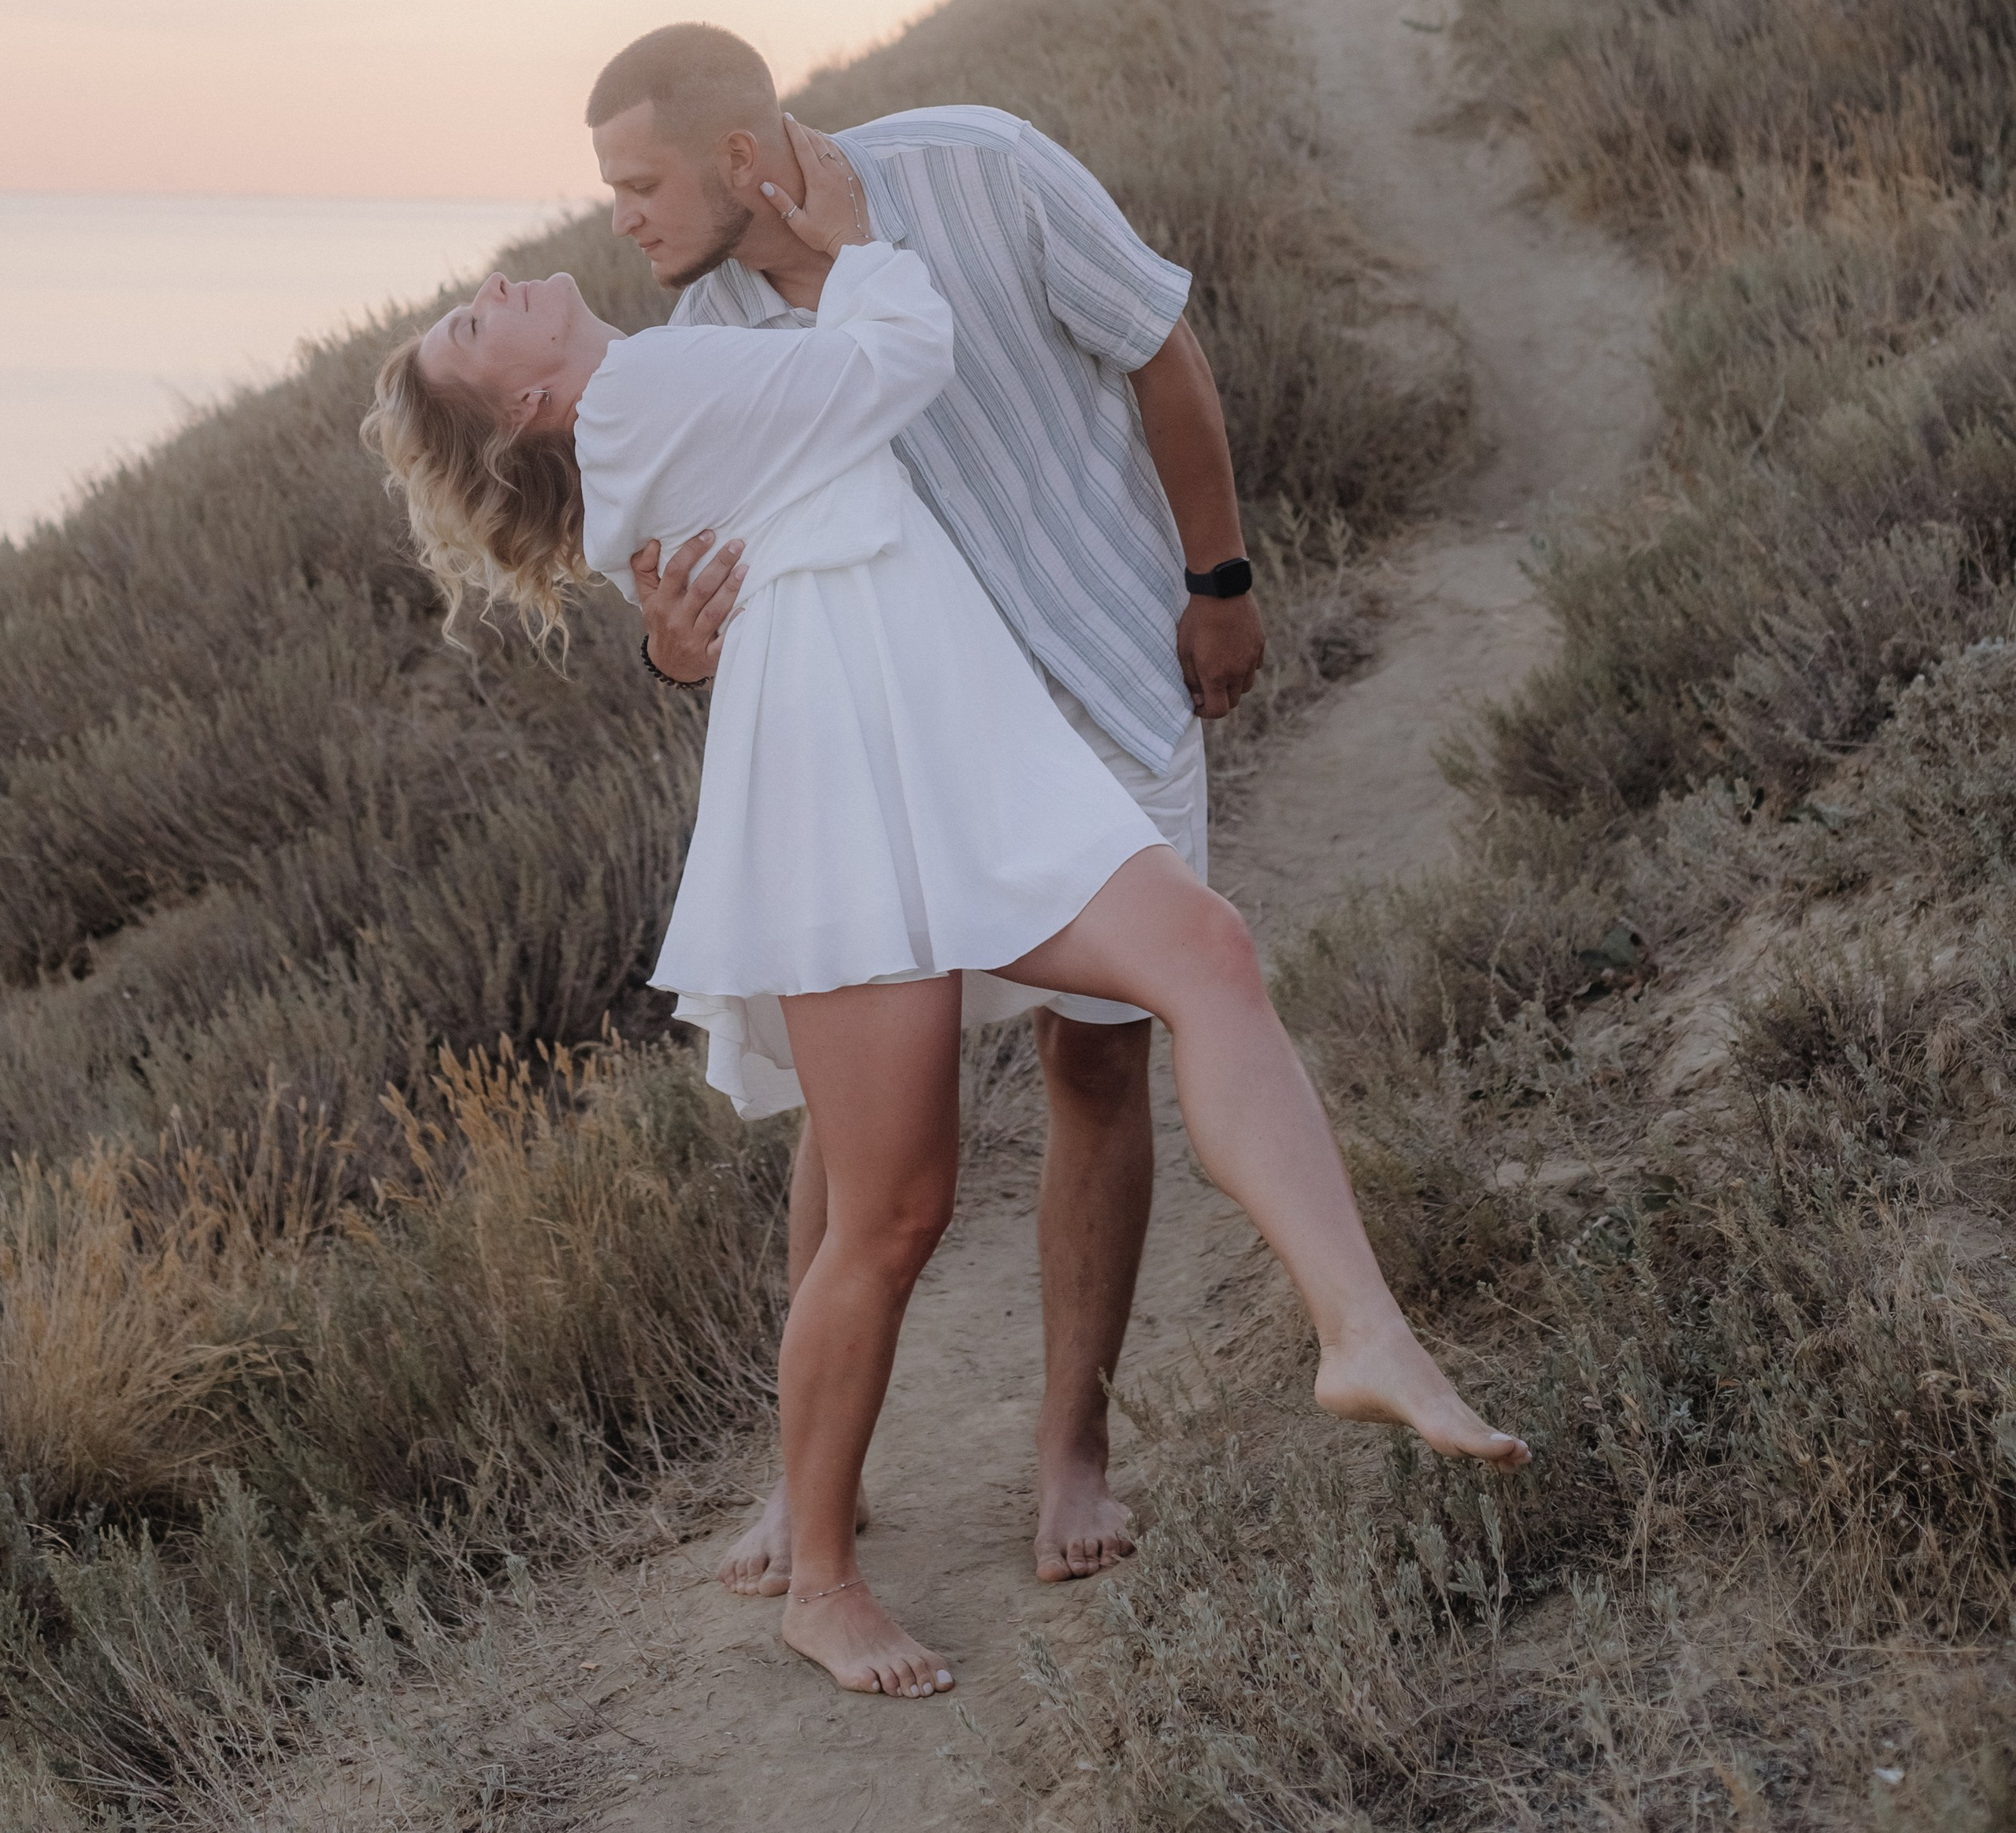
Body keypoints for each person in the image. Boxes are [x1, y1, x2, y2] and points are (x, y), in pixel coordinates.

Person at [364, 132, 1528, 1705]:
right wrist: (853, 245)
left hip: (968, 740)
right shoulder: (640, 394)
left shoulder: (665, 374)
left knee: (1204, 959)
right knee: (891, 1210)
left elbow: (728, 526)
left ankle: (1359, 1329)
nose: (490, 288)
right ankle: (821, 1573)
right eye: (463, 325)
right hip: (850, 779)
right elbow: (891, 363)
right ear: (522, 403)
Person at [587, 23, 1261, 1594]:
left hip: (1097, 681)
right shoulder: (698, 327)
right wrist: (670, 650)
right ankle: (815, 1487)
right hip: (893, 755)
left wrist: (1214, 578)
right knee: (849, 1114)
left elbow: (1159, 348)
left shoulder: (980, 167)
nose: (618, 216)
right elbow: (685, 590)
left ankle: (1069, 1453)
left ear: (743, 155)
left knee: (1097, 1062)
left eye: (637, 182)